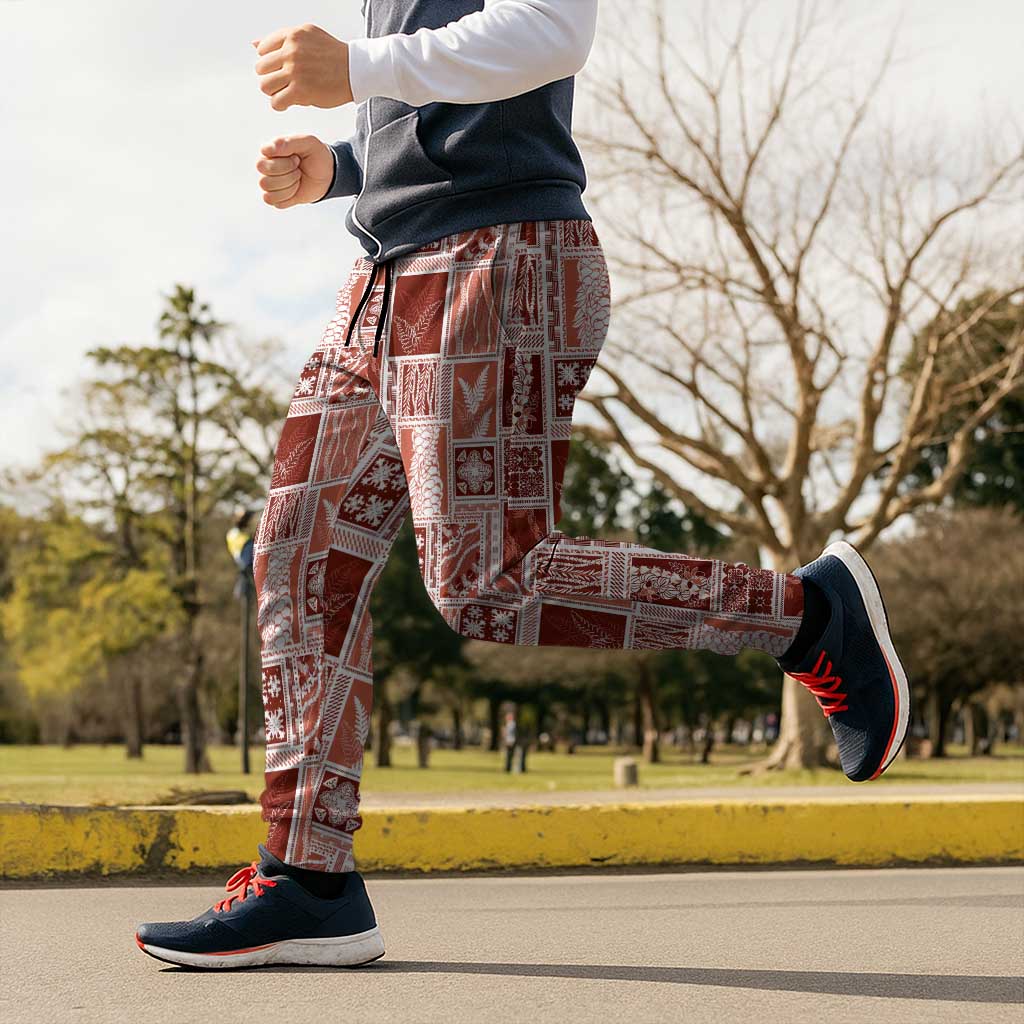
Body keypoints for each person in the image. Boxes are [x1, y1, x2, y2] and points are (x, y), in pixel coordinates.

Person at [136, 0, 910, 969]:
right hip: (382, 272)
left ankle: (806, 615)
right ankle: (309, 879)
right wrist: (343, 165)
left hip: (495, 258)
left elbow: (551, 30)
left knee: (487, 584)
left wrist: (360, 66)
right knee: (295, 555)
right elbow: (447, 109)